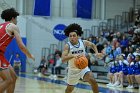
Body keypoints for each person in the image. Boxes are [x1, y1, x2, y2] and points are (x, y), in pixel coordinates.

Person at [0, 8, 35, 93]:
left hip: (1, 55)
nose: (17, 21)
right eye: (16, 19)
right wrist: (29, 55)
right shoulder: (13, 26)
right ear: (13, 18)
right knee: (8, 80)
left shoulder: (1, 25)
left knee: (13, 77)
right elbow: (21, 46)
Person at [62, 23, 102, 93]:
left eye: (74, 36)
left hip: (83, 68)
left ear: (78, 36)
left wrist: (96, 53)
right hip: (73, 70)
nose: (72, 37)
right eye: (70, 36)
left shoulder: (83, 42)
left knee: (93, 80)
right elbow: (63, 59)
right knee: (69, 90)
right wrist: (73, 56)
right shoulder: (67, 46)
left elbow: (92, 45)